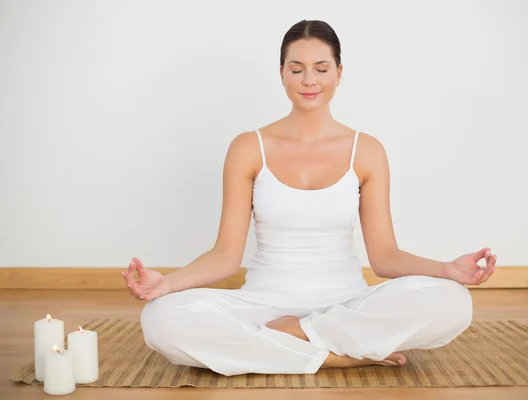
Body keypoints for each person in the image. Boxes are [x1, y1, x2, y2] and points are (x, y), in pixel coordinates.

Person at [121, 19, 497, 376]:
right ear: (282, 73)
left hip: (346, 305)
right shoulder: (248, 148)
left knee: (454, 301)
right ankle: (335, 357)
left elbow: (384, 257)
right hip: (264, 303)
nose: (308, 80)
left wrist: (446, 269)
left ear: (338, 73)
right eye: (296, 68)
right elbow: (224, 257)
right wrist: (165, 285)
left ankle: (295, 337)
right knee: (160, 319)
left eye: (321, 68)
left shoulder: (366, 150)